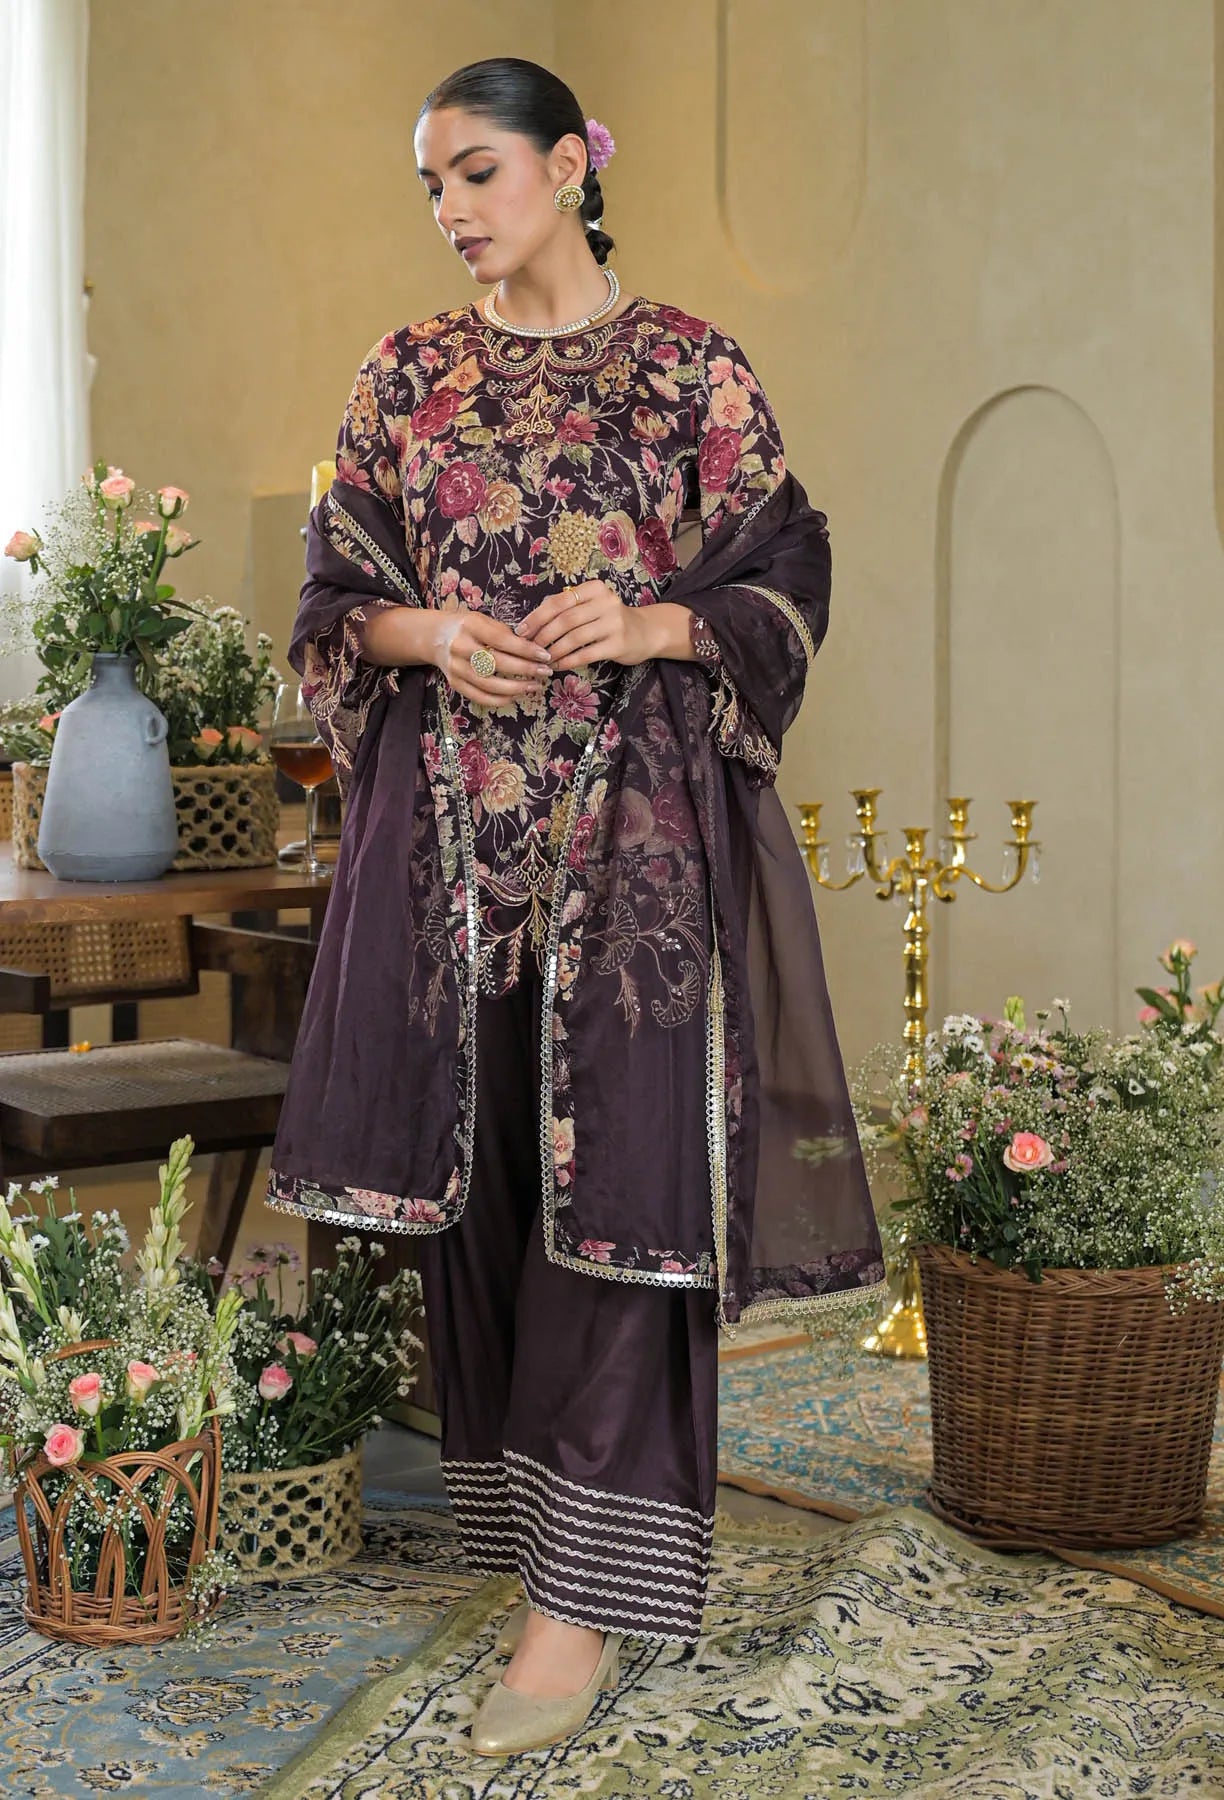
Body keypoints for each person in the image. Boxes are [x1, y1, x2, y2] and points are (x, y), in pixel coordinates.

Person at [265, 55, 886, 1758]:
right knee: (481, 1204)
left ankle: (574, 1619)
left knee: (618, 1197)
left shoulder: (689, 370)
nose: (454, 212)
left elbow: (785, 572)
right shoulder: (405, 376)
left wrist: (654, 623)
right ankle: (540, 1544)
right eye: (432, 187)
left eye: (476, 172)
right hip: (452, 856)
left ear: (567, 164)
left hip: (637, 854)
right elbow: (334, 595)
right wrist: (427, 637)